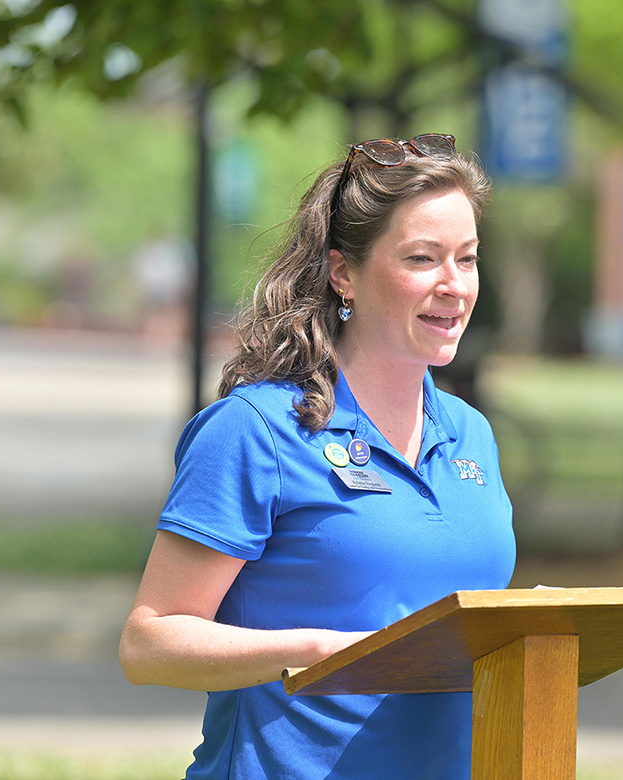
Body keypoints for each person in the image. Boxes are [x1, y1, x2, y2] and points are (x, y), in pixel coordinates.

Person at [119, 133, 517, 780]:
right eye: (423, 258)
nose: (454, 285)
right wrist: (315, 651)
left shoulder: (472, 434)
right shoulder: (255, 430)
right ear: (343, 272)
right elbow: (149, 642)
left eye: (467, 260)